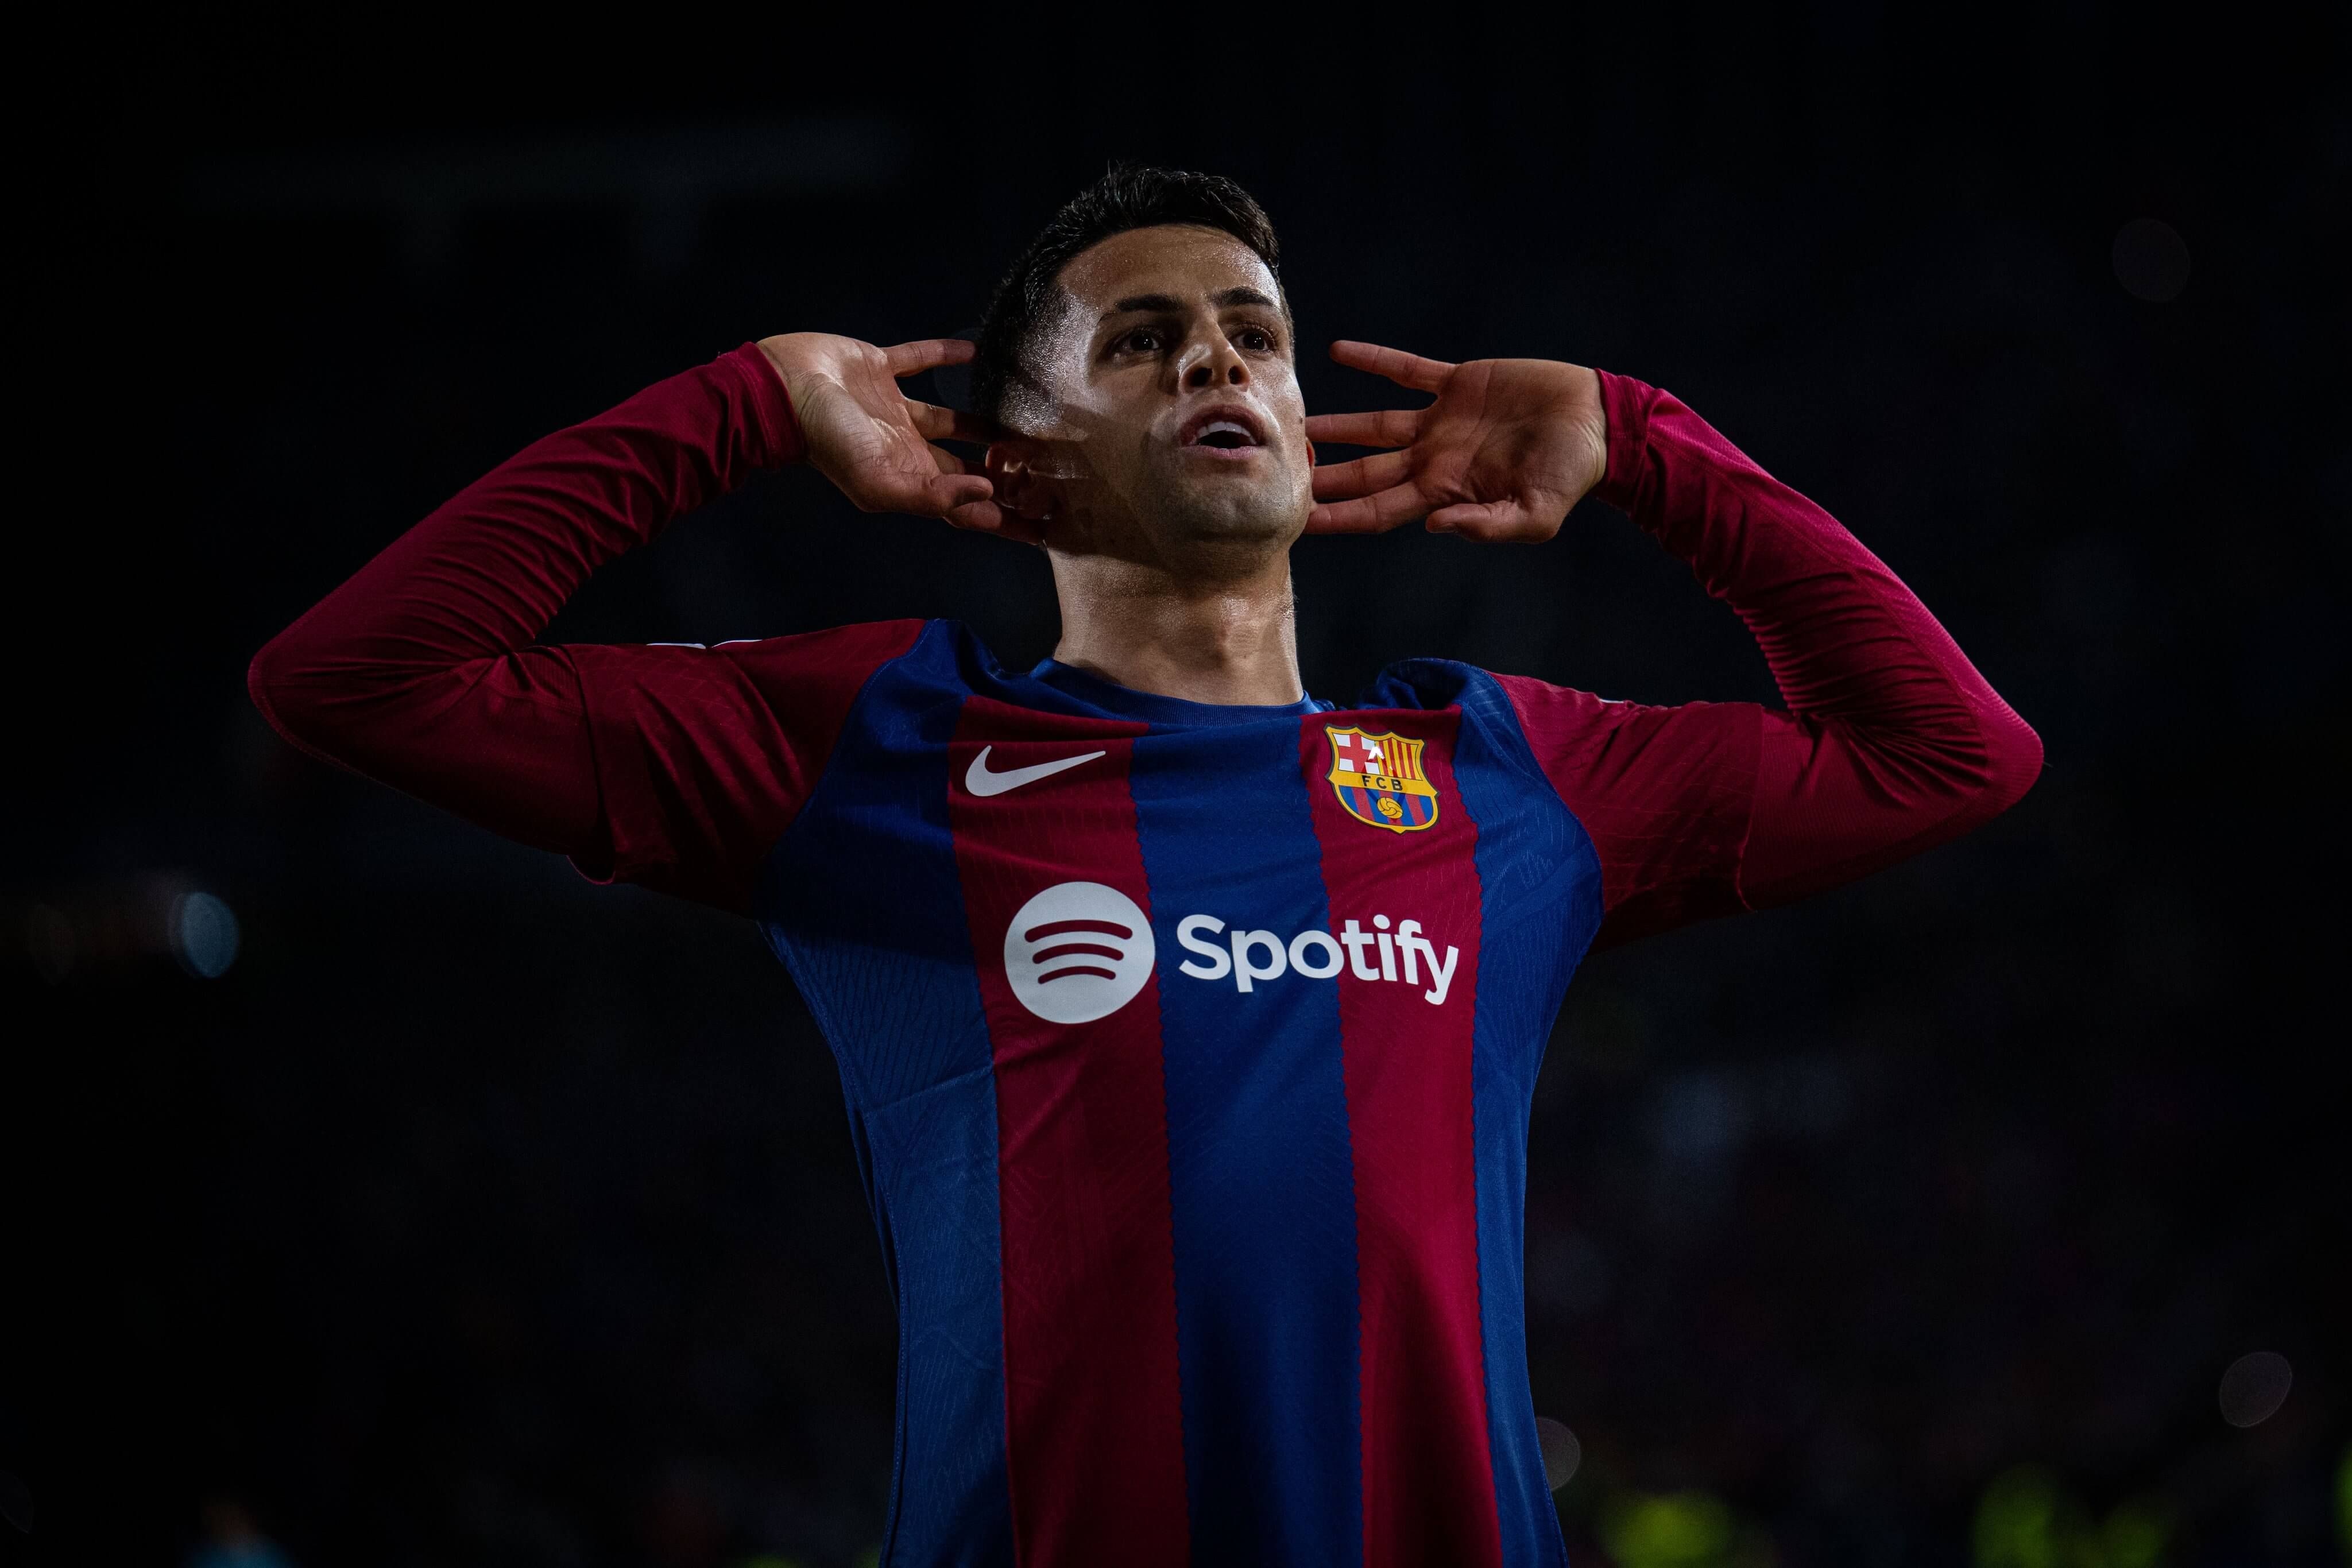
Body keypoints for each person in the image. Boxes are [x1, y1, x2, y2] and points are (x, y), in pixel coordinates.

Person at [249, 166, 2040, 1567]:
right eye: (1143, 337)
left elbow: (1950, 755)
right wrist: (741, 403)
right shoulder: (877, 744)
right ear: (1017, 471)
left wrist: (1652, 446)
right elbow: (356, 680)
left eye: (1255, 331)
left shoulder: (1497, 769)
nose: (1221, 360)